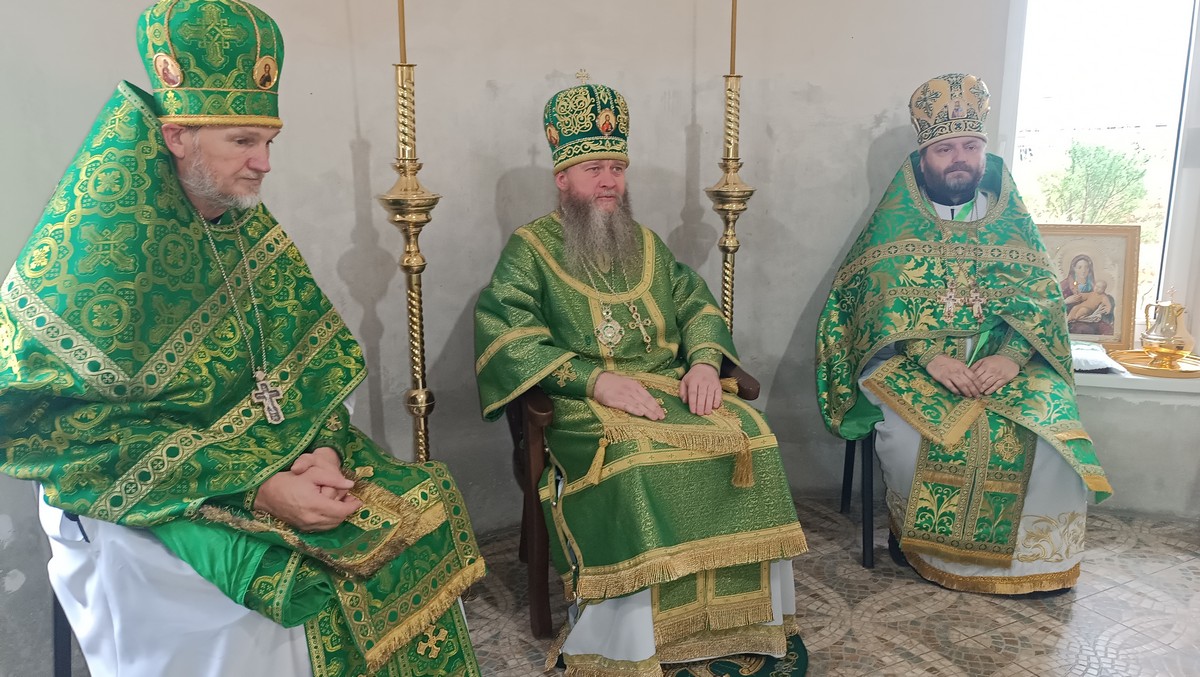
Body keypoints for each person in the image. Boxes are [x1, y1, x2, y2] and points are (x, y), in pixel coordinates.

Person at [0, 2, 484, 675]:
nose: (264, 163)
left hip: (269, 457)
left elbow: (307, 367)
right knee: (269, 597)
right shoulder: (93, 257)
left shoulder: (235, 217)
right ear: (177, 135)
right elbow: (60, 434)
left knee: (416, 513)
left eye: (268, 142)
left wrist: (318, 449)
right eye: (243, 141)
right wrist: (261, 490)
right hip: (135, 498)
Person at [475, 81, 808, 675]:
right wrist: (594, 382)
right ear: (563, 178)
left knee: (751, 436)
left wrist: (703, 362)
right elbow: (508, 334)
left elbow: (697, 306)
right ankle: (634, 635)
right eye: (594, 169)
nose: (609, 181)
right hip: (581, 404)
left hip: (668, 387)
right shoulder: (530, 250)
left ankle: (741, 621)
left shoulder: (647, 244)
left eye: (618, 168)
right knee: (634, 459)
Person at [815, 73, 1113, 595]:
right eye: (946, 148)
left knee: (1050, 442)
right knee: (925, 439)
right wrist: (929, 356)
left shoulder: (1012, 223)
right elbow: (866, 308)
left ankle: (1036, 565)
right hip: (909, 363)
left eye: (971, 146)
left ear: (984, 152)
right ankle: (927, 549)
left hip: (1006, 361)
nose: (960, 158)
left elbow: (1042, 302)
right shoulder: (893, 225)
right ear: (922, 159)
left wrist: (1012, 357)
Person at [1061, 254, 1115, 334]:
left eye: (1086, 267)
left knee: (1106, 329)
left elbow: (1103, 299)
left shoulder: (1094, 286)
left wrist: (1106, 307)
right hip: (1072, 323)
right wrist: (1067, 301)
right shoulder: (1065, 285)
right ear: (1074, 269)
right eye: (1080, 267)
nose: (1083, 270)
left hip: (1090, 316)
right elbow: (1055, 302)